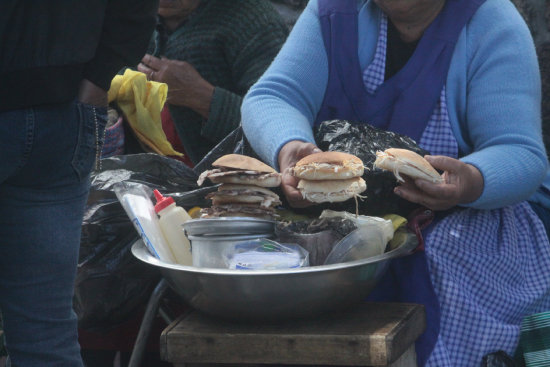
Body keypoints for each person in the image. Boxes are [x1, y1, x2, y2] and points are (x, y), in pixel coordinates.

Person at [241, 0, 550, 366]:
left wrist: (470, 182)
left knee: (436, 269)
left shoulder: (491, 22)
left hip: (464, 218)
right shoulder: (334, 13)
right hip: (336, 217)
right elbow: (273, 96)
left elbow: (519, 152)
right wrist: (289, 144)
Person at [0, 1, 158, 366]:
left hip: (66, 110)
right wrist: (98, 77)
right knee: (45, 332)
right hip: (65, 109)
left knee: (45, 331)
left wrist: (99, 78)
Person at [137, 0, 289, 165]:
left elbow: (279, 126)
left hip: (230, 180)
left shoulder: (256, 23)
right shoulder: (133, 14)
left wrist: (202, 97)